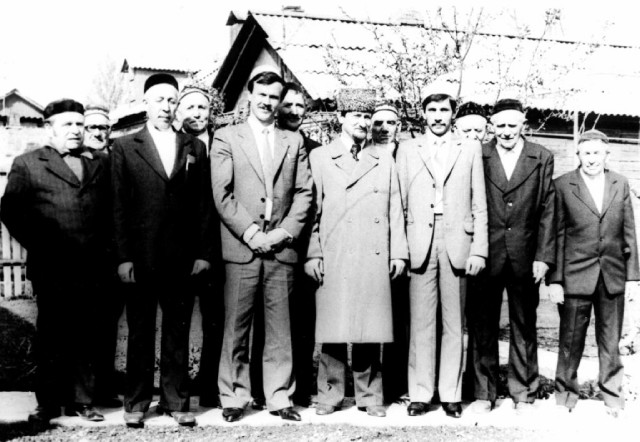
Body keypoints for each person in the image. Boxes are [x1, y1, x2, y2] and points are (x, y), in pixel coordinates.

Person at [211, 66, 313, 423]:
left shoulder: (293, 141)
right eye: (263, 95)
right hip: (242, 247)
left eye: (274, 97)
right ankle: (234, 397)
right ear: (249, 96)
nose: (268, 102)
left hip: (281, 248)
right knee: (236, 329)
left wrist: (282, 234)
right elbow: (221, 194)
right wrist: (252, 233)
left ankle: (279, 396)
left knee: (280, 330)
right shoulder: (226, 137)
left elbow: (304, 194)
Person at [111, 73, 214, 427]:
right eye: (159, 100)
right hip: (141, 257)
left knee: (177, 332)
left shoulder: (194, 147)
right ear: (145, 103)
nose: (166, 107)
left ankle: (176, 400)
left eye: (172, 100)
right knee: (140, 331)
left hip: (182, 258)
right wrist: (123, 257)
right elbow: (119, 207)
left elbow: (203, 205)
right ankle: (137, 401)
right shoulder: (125, 147)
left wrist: (203, 253)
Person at [1, 99, 111, 423]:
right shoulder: (29, 163)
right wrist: (43, 244)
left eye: (79, 124)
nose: (76, 130)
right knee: (52, 335)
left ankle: (82, 400)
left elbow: (111, 211)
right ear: (50, 128)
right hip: (53, 266)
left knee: (87, 335)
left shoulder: (99, 162)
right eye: (67, 124)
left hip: (93, 267)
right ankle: (48, 403)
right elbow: (11, 211)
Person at [305, 88, 408, 418]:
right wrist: (313, 254)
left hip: (372, 253)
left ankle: (370, 396)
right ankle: (329, 394)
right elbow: (312, 212)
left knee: (369, 327)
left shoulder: (383, 158)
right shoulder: (321, 157)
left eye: (367, 116)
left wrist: (398, 253)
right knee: (333, 328)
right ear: (341, 118)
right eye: (356, 116)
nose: (362, 122)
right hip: (334, 251)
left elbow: (395, 208)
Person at [396, 92, 488, 419]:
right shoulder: (408, 149)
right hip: (419, 242)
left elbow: (479, 203)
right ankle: (420, 393)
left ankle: (451, 394)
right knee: (421, 324)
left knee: (454, 323)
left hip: (457, 242)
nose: (437, 116)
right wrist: (400, 250)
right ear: (424, 114)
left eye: (444, 110)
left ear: (452, 114)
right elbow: (399, 203)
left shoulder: (469, 148)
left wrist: (479, 249)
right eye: (432, 110)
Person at [467, 99, 555, 413]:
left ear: (523, 125)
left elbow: (547, 209)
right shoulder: (478, 154)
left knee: (524, 324)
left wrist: (543, 257)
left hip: (525, 255)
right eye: (500, 125)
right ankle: (483, 392)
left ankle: (524, 392)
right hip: (486, 253)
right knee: (483, 325)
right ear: (492, 126)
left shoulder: (541, 156)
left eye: (512, 125)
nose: (506, 132)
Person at [548, 130, 639, 417]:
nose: (591, 159)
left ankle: (612, 398)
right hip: (575, 276)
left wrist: (633, 277)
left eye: (596, 153)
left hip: (612, 275)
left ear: (606, 155)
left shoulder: (620, 183)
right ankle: (565, 397)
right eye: (586, 153)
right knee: (570, 341)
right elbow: (556, 235)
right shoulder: (563, 185)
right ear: (578, 155)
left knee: (610, 342)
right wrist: (555, 280)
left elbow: (629, 232)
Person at [175, 84, 224, 408]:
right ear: (179, 112)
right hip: (181, 248)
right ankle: (177, 388)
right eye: (189, 107)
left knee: (216, 320)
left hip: (218, 247)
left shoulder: (223, 143)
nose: (196, 113)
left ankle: (210, 386)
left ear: (210, 112)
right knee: (177, 322)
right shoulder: (172, 145)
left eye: (202, 107)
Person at [370, 102, 409, 404]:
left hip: (403, 245)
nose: (384, 129)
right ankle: (369, 386)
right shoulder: (362, 154)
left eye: (390, 123)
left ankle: (396, 386)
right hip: (370, 246)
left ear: (400, 126)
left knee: (399, 318)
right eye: (378, 123)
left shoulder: (408, 154)